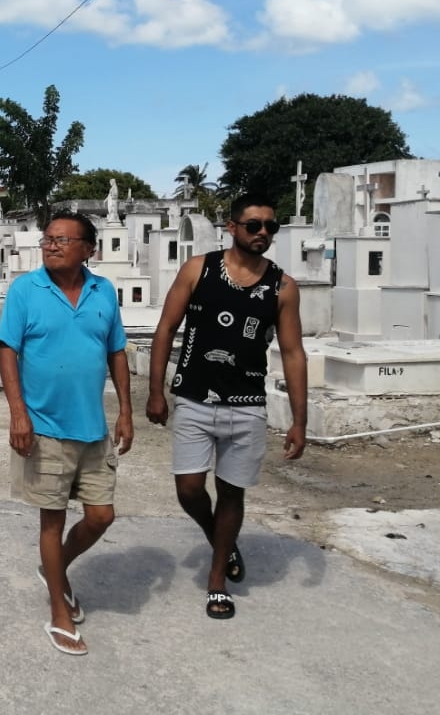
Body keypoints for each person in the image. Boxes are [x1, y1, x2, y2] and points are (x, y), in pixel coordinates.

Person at [146, 193, 307, 620]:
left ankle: (217, 583)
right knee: (190, 490)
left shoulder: (283, 287)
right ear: (232, 227)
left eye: (270, 226)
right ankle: (219, 536)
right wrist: (156, 391)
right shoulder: (198, 269)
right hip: (195, 398)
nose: (262, 234)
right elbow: (165, 329)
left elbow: (293, 353)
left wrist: (298, 420)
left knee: (232, 492)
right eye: (253, 225)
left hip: (248, 404)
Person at [0, 210, 133, 656]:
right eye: (48, 239)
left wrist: (125, 412)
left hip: (92, 426)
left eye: (62, 239)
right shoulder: (25, 290)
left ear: (88, 249)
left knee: (101, 516)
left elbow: (116, 352)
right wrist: (19, 412)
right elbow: (7, 351)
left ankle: (55, 569)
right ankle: (59, 608)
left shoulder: (103, 292)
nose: (51, 245)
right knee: (51, 520)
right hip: (44, 427)